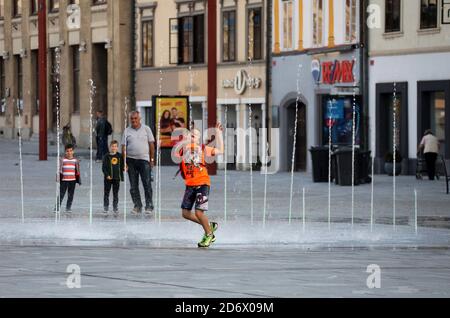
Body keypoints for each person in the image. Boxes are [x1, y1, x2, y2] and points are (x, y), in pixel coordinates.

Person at [177, 123, 224, 248]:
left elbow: (221, 151)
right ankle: (209, 225)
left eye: (195, 136)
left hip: (203, 183)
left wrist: (218, 134)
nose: (192, 137)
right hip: (190, 185)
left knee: (198, 213)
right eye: (190, 135)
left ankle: (209, 234)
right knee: (185, 213)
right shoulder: (183, 149)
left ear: (199, 139)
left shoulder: (203, 149)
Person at [121, 111, 155, 216]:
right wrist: (124, 162)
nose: (134, 120)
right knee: (133, 186)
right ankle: (137, 205)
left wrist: (152, 159)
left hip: (144, 160)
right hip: (131, 161)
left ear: (139, 118)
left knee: (147, 183)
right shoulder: (127, 131)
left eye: (135, 118)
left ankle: (149, 205)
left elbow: (151, 145)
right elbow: (123, 147)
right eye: (132, 119)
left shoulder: (146, 129)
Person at [56, 144, 81, 214]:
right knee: (61, 194)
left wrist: (78, 179)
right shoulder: (63, 160)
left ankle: (68, 207)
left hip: (72, 180)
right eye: (67, 151)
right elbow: (59, 169)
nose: (69, 152)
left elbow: (77, 170)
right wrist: (58, 177)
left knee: (71, 195)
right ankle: (57, 207)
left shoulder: (75, 160)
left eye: (70, 151)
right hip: (64, 180)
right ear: (65, 152)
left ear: (73, 151)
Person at [102, 140, 124, 216]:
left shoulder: (120, 156)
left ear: (117, 147)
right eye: (112, 146)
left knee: (115, 193)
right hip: (108, 178)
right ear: (110, 147)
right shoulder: (106, 156)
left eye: (115, 146)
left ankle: (115, 207)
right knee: (106, 193)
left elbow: (122, 165)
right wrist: (107, 175)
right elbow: (104, 168)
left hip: (116, 178)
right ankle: (106, 207)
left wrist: (124, 168)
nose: (114, 148)